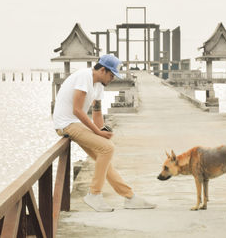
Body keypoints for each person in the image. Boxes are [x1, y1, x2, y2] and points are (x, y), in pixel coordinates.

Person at [53, 54, 156, 212]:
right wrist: (98, 134)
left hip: (76, 124)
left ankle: (129, 197)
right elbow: (77, 110)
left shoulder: (98, 85)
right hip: (65, 124)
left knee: (104, 155)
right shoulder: (84, 77)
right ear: (102, 70)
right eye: (112, 75)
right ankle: (94, 194)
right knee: (107, 148)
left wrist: (101, 131)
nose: (113, 78)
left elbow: (97, 113)